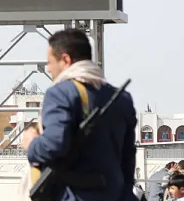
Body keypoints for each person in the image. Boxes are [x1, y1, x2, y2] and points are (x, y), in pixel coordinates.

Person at [21, 28, 137, 201]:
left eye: (50, 62)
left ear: (65, 60)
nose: (48, 68)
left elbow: (54, 144)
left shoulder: (61, 93)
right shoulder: (122, 99)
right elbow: (128, 160)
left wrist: (32, 144)